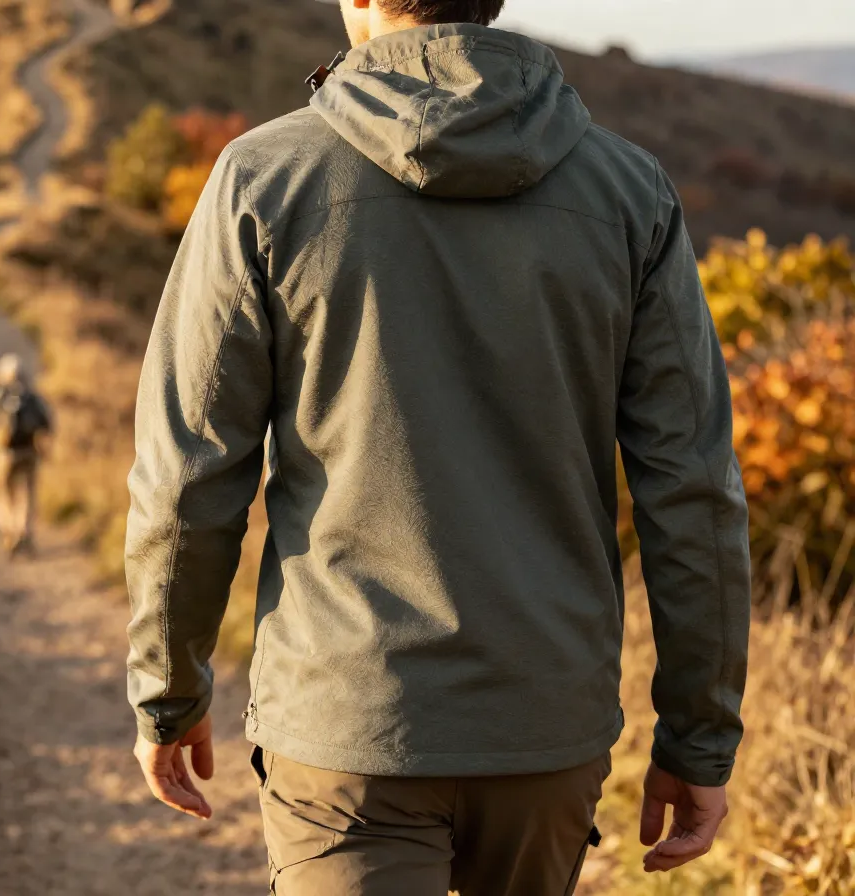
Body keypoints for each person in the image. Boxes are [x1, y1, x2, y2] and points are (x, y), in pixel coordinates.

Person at [125, 1, 751, 893]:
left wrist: (168, 692)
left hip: (347, 722)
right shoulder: (629, 191)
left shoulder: (263, 179)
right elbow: (694, 491)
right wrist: (699, 736)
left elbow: (189, 475)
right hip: (543, 725)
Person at [0, 354, 53, 557]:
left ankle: (8, 532)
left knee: (3, 494)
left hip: (2, 454)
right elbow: (48, 422)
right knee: (27, 493)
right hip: (29, 452)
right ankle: (24, 531)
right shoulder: (32, 397)